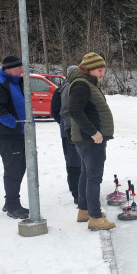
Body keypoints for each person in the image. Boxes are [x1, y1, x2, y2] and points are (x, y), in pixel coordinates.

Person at [69, 52, 116, 231]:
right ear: (88, 69)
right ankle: (95, 217)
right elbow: (75, 110)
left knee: (85, 175)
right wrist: (94, 132)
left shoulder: (86, 82)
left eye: (103, 70)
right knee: (93, 177)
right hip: (90, 140)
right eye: (99, 70)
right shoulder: (81, 84)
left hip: (86, 140)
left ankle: (84, 210)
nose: (102, 74)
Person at [0, 55, 29, 219]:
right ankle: (12, 205)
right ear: (9, 68)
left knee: (21, 168)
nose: (21, 70)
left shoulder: (17, 82)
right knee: (13, 170)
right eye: (18, 67)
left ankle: (10, 202)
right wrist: (16, 125)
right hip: (8, 136)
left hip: (20, 134)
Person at [50, 65, 80, 203]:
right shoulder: (63, 90)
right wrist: (64, 124)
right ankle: (75, 190)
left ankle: (75, 187)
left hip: (66, 130)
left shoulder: (61, 89)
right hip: (69, 131)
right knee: (73, 160)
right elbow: (55, 112)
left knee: (71, 159)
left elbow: (55, 112)